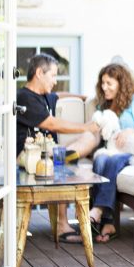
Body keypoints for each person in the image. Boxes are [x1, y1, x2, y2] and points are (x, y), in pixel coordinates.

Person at [16, 54, 101, 242]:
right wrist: (86, 126)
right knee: (83, 139)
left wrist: (82, 97)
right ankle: (62, 225)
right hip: (29, 157)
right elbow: (52, 124)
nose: (55, 81)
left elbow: (58, 96)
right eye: (53, 76)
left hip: (47, 155)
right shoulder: (24, 97)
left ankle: (62, 160)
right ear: (39, 73)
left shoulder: (44, 96)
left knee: (89, 139)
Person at [88, 62, 134, 244]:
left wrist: (129, 132)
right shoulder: (103, 106)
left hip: (133, 152)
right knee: (100, 160)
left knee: (113, 161)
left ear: (121, 84)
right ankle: (108, 222)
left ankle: (99, 210)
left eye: (109, 83)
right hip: (111, 150)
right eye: (102, 83)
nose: (104, 87)